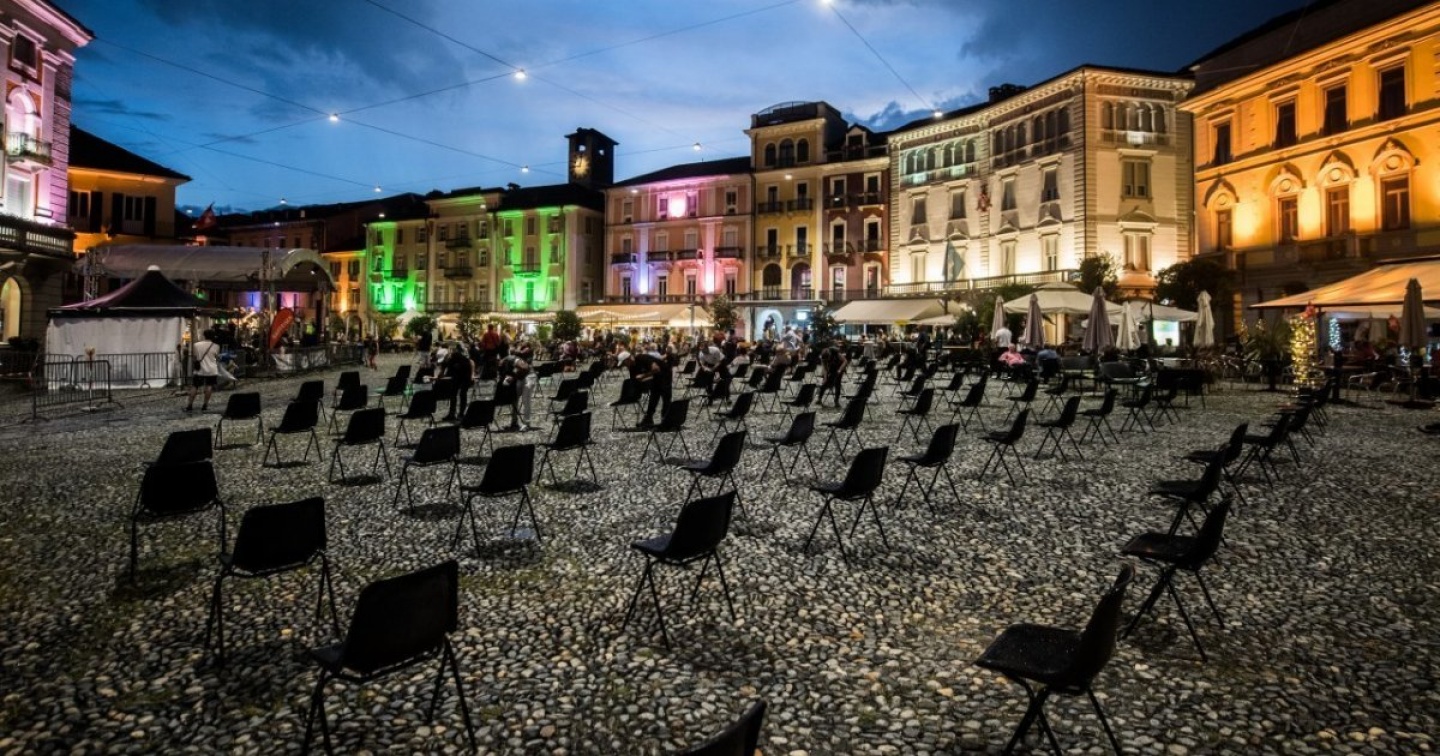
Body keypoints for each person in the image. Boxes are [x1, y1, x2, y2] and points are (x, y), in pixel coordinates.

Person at [186, 330, 220, 412]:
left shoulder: (196, 345)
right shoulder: (216, 346)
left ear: (204, 335)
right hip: (211, 369)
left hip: (199, 370)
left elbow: (195, 357)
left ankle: (190, 405)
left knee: (195, 386)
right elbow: (216, 357)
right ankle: (205, 405)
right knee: (209, 386)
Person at [441, 345, 474, 421]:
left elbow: (443, 368)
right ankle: (456, 414)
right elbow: (471, 362)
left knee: (459, 394)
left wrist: (441, 374)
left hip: (464, 375)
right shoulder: (454, 357)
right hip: (460, 375)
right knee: (458, 394)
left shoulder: (452, 358)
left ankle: (457, 414)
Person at [818, 343, 848, 407]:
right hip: (832, 367)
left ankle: (836, 401)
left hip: (839, 366)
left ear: (830, 354)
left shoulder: (835, 352)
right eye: (826, 360)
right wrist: (825, 377)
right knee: (825, 383)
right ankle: (819, 399)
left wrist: (839, 370)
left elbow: (845, 361)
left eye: (828, 359)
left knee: (838, 384)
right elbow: (825, 368)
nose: (828, 360)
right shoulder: (823, 357)